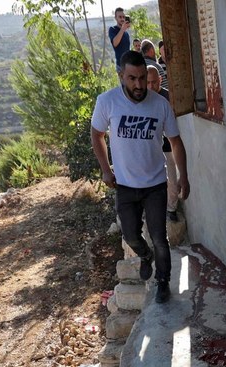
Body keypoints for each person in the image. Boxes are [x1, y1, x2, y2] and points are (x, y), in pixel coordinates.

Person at [91, 51, 190, 303]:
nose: (138, 85)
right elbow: (96, 134)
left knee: (159, 237)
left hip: (156, 184)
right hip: (124, 185)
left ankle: (163, 282)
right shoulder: (107, 102)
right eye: (132, 78)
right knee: (131, 235)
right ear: (121, 76)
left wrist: (183, 177)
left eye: (142, 78)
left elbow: (176, 143)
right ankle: (145, 256)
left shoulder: (160, 105)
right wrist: (105, 168)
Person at [147, 65, 179, 222]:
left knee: (171, 180)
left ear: (160, 80)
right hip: (150, 149)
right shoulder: (142, 99)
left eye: (154, 82)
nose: (151, 86)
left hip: (168, 146)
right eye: (148, 83)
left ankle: (171, 209)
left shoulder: (168, 97)